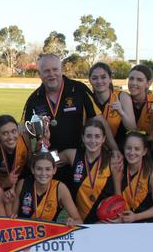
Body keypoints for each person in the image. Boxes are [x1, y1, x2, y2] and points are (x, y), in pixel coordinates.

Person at [22, 54, 119, 183]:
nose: (52, 74)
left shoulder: (79, 90)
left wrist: (115, 149)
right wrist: (31, 163)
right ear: (39, 74)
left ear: (61, 70)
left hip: (79, 161)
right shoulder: (34, 100)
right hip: (49, 167)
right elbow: (27, 135)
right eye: (46, 71)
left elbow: (100, 122)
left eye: (55, 70)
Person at [59, 119, 121, 223]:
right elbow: (48, 159)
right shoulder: (72, 155)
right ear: (83, 138)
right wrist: (42, 145)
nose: (93, 141)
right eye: (88, 136)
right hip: (79, 222)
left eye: (97, 136)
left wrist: (113, 219)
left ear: (103, 139)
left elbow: (118, 198)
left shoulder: (112, 161)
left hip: (103, 223)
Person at [6, 152, 81, 224]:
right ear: (32, 170)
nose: (43, 173)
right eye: (39, 169)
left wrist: (72, 222)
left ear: (54, 170)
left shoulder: (60, 188)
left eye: (48, 169)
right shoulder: (22, 184)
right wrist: (9, 205)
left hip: (49, 234)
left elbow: (79, 220)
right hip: (24, 233)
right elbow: (12, 216)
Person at [111, 131, 153, 223]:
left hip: (143, 222)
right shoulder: (119, 167)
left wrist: (136, 217)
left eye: (137, 149)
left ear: (144, 151)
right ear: (124, 148)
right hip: (121, 219)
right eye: (129, 148)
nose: (132, 152)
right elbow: (117, 201)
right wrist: (116, 180)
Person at [88, 62, 136, 148]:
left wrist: (121, 113)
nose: (99, 81)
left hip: (121, 150)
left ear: (110, 79)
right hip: (96, 150)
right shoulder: (88, 100)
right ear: (90, 80)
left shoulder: (122, 97)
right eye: (95, 78)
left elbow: (133, 129)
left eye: (103, 77)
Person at [0, 115, 31, 190]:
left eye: (14, 131)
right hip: (0, 188)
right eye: (5, 133)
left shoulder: (25, 140)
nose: (11, 137)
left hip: (22, 185)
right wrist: (3, 184)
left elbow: (31, 164)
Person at [128, 64, 153, 135]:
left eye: (139, 80)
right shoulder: (122, 99)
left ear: (148, 83)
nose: (133, 83)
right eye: (131, 78)